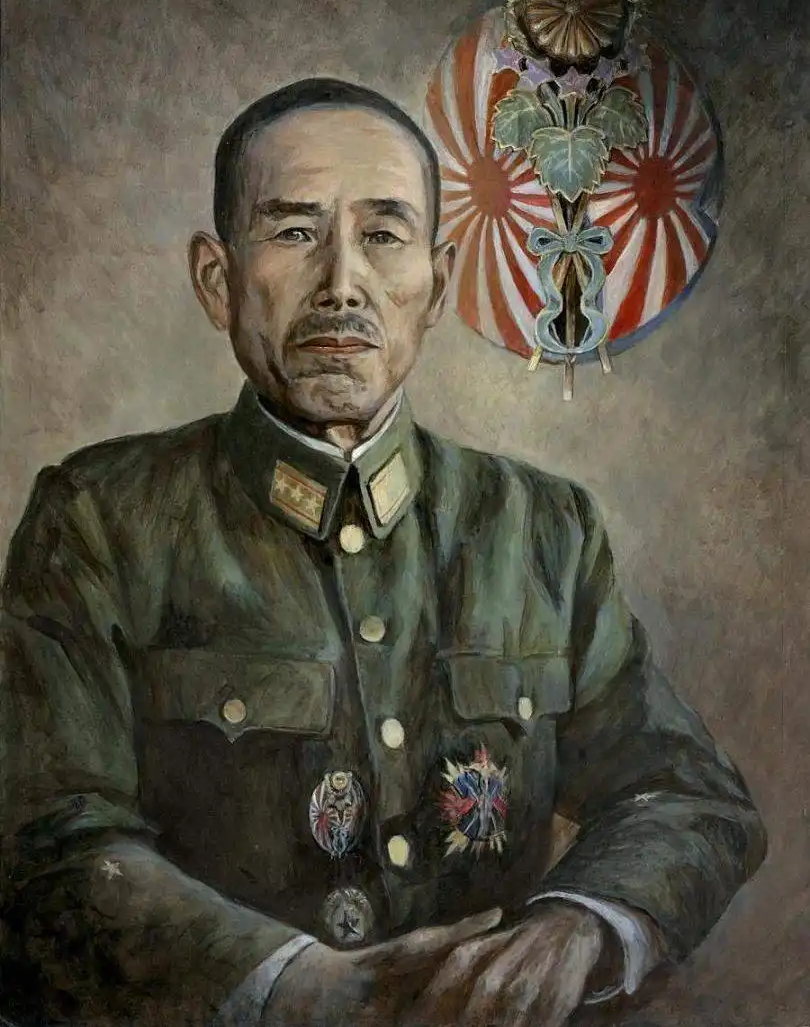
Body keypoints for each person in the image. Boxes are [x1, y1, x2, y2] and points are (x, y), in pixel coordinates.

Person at [0, 79, 766, 1027]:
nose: (343, 283)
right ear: (216, 278)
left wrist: (580, 923)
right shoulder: (97, 519)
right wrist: (285, 985)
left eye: (384, 234)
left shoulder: (544, 529)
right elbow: (45, 844)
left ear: (437, 283)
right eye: (294, 231)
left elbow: (687, 794)